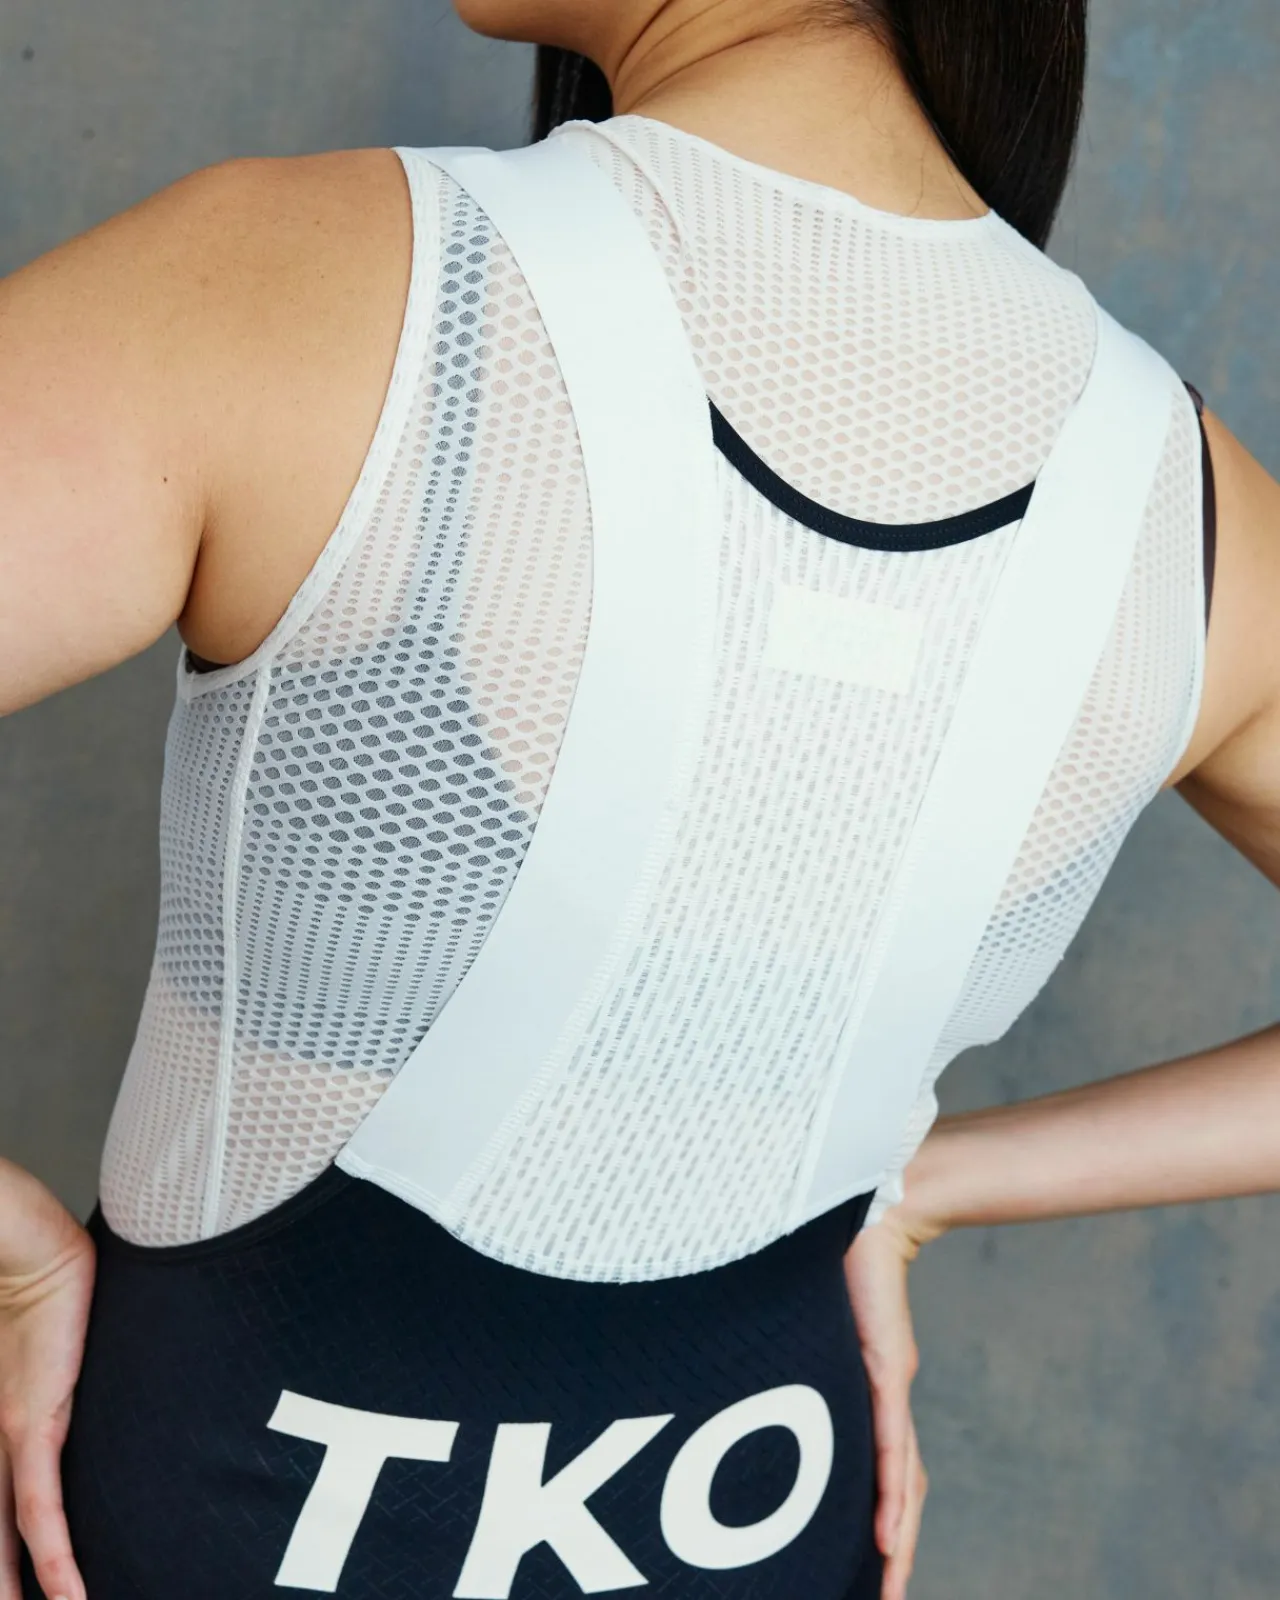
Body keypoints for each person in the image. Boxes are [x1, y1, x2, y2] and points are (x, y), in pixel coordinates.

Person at [2, 2, 1278, 1598]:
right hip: (769, 1515)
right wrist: (926, 1186)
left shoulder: (292, 291)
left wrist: (13, 1258)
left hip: (210, 1515)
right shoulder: (1194, 515)